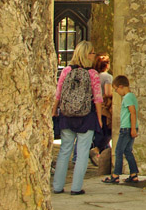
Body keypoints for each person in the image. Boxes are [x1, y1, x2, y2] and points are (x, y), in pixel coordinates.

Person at [52, 41, 104, 195]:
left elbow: (58, 92)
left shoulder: (66, 71)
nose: (94, 55)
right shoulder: (92, 74)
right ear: (86, 54)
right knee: (82, 153)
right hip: (86, 117)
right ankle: (75, 188)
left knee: (64, 151)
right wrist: (99, 118)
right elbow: (98, 98)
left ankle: (57, 186)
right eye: (92, 52)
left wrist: (55, 110)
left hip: (67, 116)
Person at [102, 75, 140, 184]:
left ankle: (115, 175)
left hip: (127, 128)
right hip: (130, 127)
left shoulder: (127, 97)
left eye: (116, 89)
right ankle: (133, 174)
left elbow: (132, 112)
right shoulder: (131, 96)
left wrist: (132, 128)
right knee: (128, 151)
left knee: (118, 151)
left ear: (121, 86)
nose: (116, 92)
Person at [90, 53, 113, 167]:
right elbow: (108, 93)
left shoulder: (94, 75)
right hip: (104, 107)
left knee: (100, 131)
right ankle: (96, 150)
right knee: (108, 132)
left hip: (93, 106)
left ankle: (104, 159)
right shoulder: (107, 77)